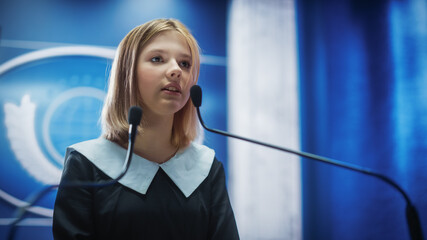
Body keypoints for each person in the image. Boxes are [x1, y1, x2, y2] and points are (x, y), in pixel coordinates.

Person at [52, 19, 239, 239]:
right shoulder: (86, 162)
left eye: (185, 64)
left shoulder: (206, 166)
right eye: (157, 59)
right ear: (127, 74)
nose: (175, 71)